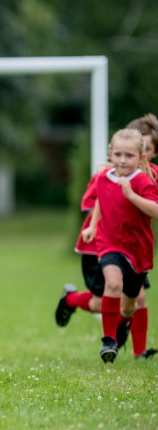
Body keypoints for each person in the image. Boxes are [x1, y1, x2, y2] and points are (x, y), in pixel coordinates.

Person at [55, 114, 158, 359]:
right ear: (112, 153)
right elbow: (101, 198)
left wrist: (133, 196)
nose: (123, 160)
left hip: (136, 248)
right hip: (104, 244)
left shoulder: (148, 177)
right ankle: (115, 341)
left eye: (132, 153)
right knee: (113, 289)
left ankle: (74, 301)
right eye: (119, 154)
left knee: (124, 302)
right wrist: (91, 225)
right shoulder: (106, 175)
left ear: (145, 153)